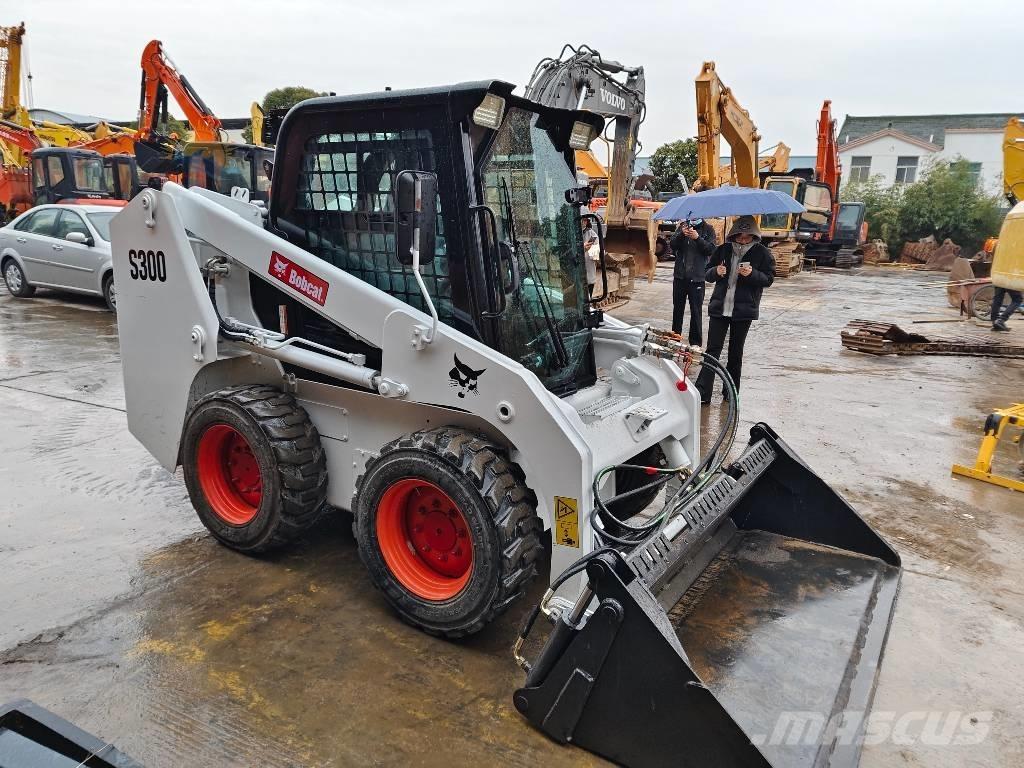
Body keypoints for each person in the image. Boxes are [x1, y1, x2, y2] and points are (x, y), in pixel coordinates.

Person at [694, 215, 775, 404]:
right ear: (733, 235)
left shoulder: (763, 254)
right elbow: (707, 273)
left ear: (754, 236)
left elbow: (768, 279)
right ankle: (703, 392)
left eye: (747, 237)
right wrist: (716, 272)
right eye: (740, 236)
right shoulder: (722, 250)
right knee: (712, 350)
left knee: (735, 353)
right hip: (719, 309)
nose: (743, 240)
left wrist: (753, 274)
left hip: (743, 311)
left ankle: (730, 392)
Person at [670, 218, 717, 344]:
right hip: (680, 277)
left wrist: (697, 238)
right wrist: (681, 235)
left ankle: (695, 343)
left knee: (696, 311)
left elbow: (710, 250)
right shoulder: (682, 227)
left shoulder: (708, 229)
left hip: (697, 279)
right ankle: (675, 339)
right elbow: (672, 245)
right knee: (677, 310)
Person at [582, 221, 600, 297]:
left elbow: (595, 257)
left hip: (588, 275)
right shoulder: (569, 232)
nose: (583, 222)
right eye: (582, 220)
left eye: (585, 220)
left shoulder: (591, 233)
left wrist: (596, 251)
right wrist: (582, 248)